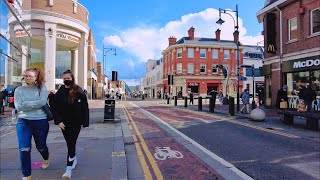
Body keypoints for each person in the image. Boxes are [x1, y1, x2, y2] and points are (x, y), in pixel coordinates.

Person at [49, 70, 89, 179]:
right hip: (64, 123)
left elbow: (84, 107)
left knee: (71, 143)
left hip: (76, 123)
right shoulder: (60, 92)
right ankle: (73, 158)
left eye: (68, 78)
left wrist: (85, 123)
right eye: (64, 78)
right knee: (69, 143)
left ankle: (68, 170)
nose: (66, 80)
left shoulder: (78, 91)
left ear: (72, 78)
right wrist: (58, 121)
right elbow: (55, 108)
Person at [14, 68, 50, 180]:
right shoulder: (19, 90)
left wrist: (26, 104)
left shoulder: (42, 88)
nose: (27, 78)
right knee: (24, 148)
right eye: (26, 75)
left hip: (40, 121)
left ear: (36, 77)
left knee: (41, 146)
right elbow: (18, 107)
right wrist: (33, 105)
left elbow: (42, 102)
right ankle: (26, 175)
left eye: (30, 76)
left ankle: (46, 158)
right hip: (23, 121)